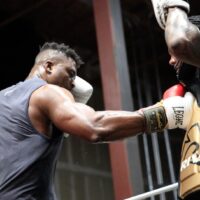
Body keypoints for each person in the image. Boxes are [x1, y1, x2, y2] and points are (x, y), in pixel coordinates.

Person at [0, 41, 193, 200]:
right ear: (49, 66)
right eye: (71, 73)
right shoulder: (46, 92)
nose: (74, 83)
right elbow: (95, 126)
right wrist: (164, 115)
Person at [151, 0, 200, 199]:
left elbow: (179, 43)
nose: (171, 61)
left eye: (172, 55)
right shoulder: (190, 99)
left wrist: (174, 5)